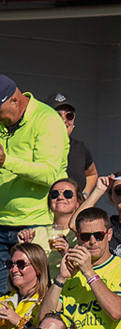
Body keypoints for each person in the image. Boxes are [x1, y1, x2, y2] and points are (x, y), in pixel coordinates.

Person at [0, 75, 68, 252]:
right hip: (1, 222)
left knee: (34, 280)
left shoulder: (47, 120)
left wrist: (6, 161)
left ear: (14, 100)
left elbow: (50, 174)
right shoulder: (4, 120)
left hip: (35, 226)